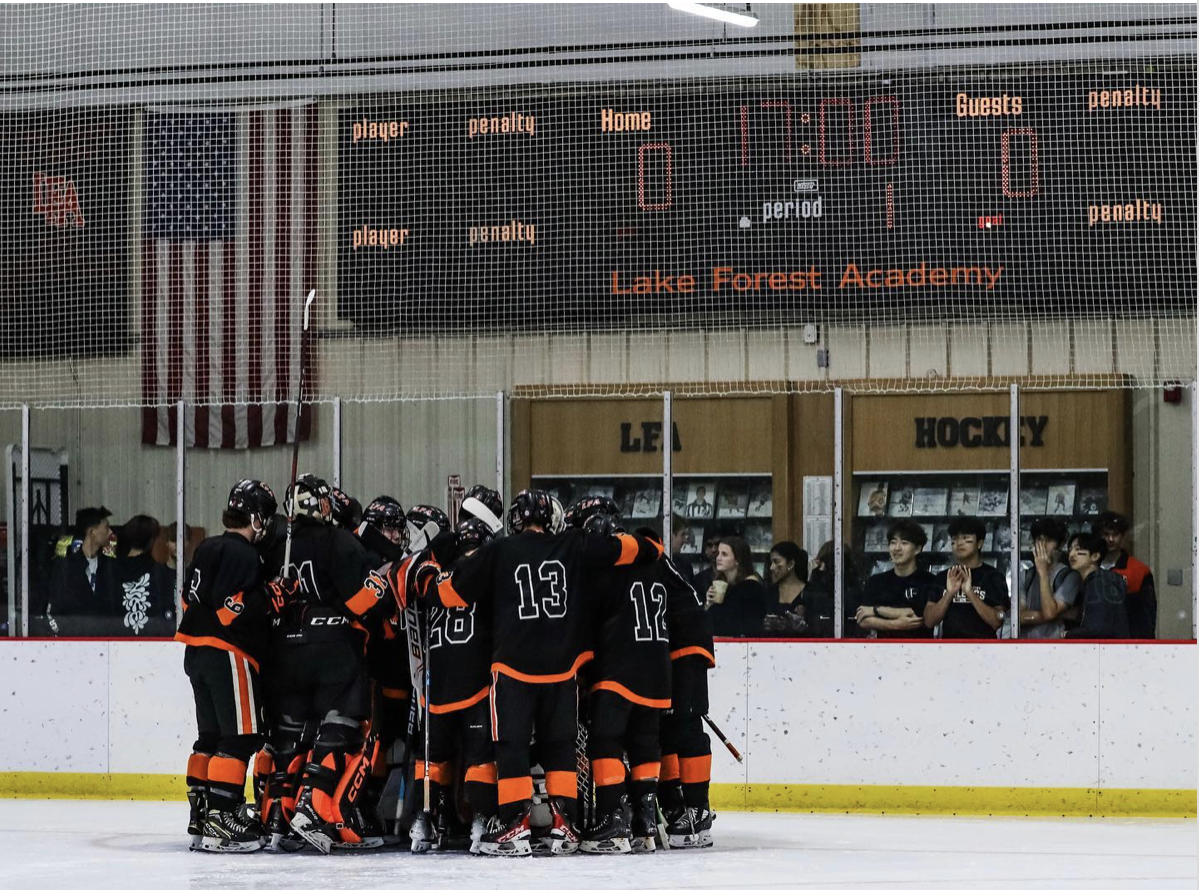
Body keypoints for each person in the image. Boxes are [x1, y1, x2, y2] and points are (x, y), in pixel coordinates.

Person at [422, 489, 662, 857]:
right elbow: (624, 550)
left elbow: (451, 593)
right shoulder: (573, 543)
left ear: (516, 519)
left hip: (513, 668)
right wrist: (653, 547)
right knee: (559, 747)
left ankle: (514, 825)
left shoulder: (499, 550)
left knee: (511, 746)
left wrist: (429, 572)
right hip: (561, 669)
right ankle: (564, 825)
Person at [260, 473, 385, 855]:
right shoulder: (337, 540)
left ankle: (277, 817)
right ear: (323, 505)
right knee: (343, 719)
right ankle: (313, 804)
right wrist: (372, 601)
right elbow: (365, 596)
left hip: (284, 649)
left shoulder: (277, 544)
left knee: (290, 732)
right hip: (331, 647)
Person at [574, 508, 696, 855]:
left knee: (605, 741)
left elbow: (589, 621)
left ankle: (612, 818)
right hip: (658, 670)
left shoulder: (606, 570)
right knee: (645, 745)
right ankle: (644, 822)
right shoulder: (657, 565)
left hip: (619, 669)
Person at [177, 479, 290, 853]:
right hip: (229, 652)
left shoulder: (207, 547)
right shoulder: (245, 555)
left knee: (210, 737)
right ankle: (224, 818)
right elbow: (231, 609)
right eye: (267, 518)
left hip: (195, 652)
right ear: (256, 518)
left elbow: (187, 602)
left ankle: (203, 813)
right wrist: (270, 596)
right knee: (239, 737)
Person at [406, 515, 499, 855]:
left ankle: (423, 821)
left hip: (437, 682)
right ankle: (481, 820)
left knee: (431, 759)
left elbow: (417, 585)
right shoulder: (486, 576)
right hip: (475, 679)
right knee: (479, 757)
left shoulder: (435, 576)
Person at [924, 517, 1009, 639]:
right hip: (949, 649)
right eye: (954, 539)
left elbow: (997, 621)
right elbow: (929, 621)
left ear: (979, 543)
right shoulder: (943, 577)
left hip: (985, 650)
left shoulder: (994, 576)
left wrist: (970, 593)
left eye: (965, 538)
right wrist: (949, 594)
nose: (959, 543)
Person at [856, 520, 937, 639]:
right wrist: (895, 624)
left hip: (920, 651)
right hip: (883, 651)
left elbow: (916, 616)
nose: (897, 548)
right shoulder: (876, 581)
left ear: (918, 549)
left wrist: (875, 610)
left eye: (904, 543)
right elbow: (862, 619)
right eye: (893, 542)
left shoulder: (930, 581)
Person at [46, 506, 115, 635]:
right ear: (92, 532)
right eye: (106, 527)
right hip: (73, 642)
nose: (110, 532)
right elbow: (54, 609)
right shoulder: (64, 567)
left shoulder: (110, 566)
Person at [1093, 511, 1157, 639]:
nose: (1110, 539)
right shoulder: (1089, 566)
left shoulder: (1139, 571)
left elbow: (1148, 616)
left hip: (1128, 642)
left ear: (1122, 536)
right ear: (1099, 535)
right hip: (1093, 641)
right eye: (1106, 534)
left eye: (1115, 534)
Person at [1017, 518, 1080, 640]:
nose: (1043, 545)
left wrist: (1043, 572)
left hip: (1056, 646)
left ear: (1060, 545)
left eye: (1049, 540)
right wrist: (1057, 615)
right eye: (1039, 540)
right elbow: (1019, 617)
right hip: (1024, 645)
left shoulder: (1069, 576)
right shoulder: (1025, 575)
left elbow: (1050, 611)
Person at [112, 514, 176, 636]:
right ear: (152, 541)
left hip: (115, 639)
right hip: (154, 641)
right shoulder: (161, 574)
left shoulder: (110, 571)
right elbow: (169, 615)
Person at [1064, 532, 1131, 639]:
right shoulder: (1097, 581)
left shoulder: (1099, 583)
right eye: (1070, 549)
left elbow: (1097, 628)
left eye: (1078, 549)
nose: (1071, 554)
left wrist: (1066, 634)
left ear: (1095, 556)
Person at [703, 537, 766, 638]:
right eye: (718, 553)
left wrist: (712, 609)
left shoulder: (750, 587)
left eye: (724, 554)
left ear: (737, 559)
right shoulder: (725, 584)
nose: (718, 558)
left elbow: (727, 621)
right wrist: (709, 603)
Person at [761, 541, 808, 636]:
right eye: (771, 562)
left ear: (791, 564)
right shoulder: (768, 592)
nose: (771, 567)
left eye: (776, 561)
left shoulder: (810, 593)